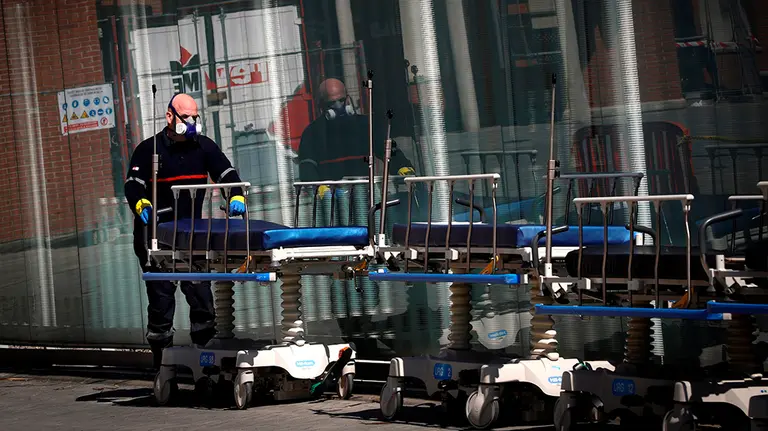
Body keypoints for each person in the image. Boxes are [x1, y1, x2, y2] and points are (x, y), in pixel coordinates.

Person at [124, 93, 247, 369]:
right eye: (186, 117)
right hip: (155, 235)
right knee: (161, 300)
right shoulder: (149, 149)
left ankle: (205, 360)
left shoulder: (203, 147)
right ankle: (162, 362)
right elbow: (133, 184)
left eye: (195, 117)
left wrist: (236, 194)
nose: (192, 122)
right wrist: (140, 202)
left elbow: (227, 174)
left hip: (191, 237)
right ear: (170, 117)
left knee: (201, 296)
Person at [297, 78, 417, 192]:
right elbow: (307, 167)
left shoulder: (365, 125)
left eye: (342, 100)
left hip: (365, 193)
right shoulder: (312, 133)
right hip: (332, 199)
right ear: (321, 106)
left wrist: (402, 166)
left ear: (348, 99)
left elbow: (387, 149)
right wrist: (318, 186)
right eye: (332, 102)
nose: (339, 106)